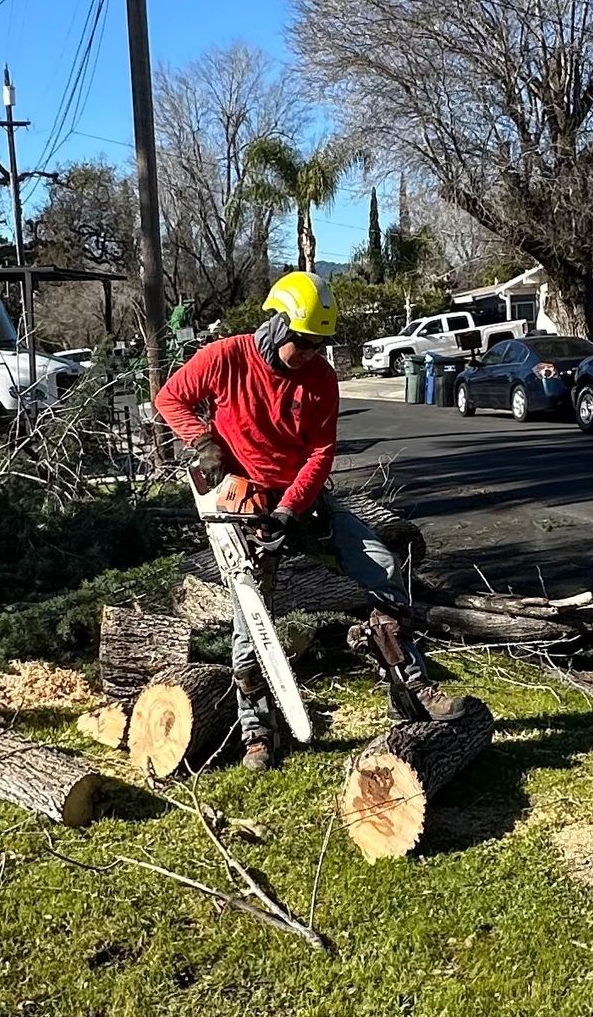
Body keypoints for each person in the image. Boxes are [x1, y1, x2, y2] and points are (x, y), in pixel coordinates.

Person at [152, 271, 409, 766]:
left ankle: (411, 686)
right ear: (279, 326)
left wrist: (292, 509)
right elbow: (170, 398)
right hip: (243, 498)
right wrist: (204, 442)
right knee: (253, 618)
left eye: (320, 345)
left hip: (301, 498)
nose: (313, 354)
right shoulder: (227, 357)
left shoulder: (321, 379)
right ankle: (257, 733)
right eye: (305, 344)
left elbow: (320, 451)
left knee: (382, 566)